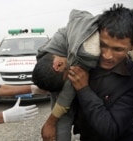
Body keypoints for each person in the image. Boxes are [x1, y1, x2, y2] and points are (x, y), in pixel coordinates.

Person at [34, 4, 133, 141]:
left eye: (118, 49)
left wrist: (84, 89)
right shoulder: (82, 63)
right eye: (102, 45)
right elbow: (63, 101)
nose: (107, 55)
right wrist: (51, 122)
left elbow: (110, 131)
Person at [32, 7, 100, 141]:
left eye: (67, 75)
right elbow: (61, 101)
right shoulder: (45, 55)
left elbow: (66, 95)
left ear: (58, 65)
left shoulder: (83, 50)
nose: (69, 75)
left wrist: (50, 122)